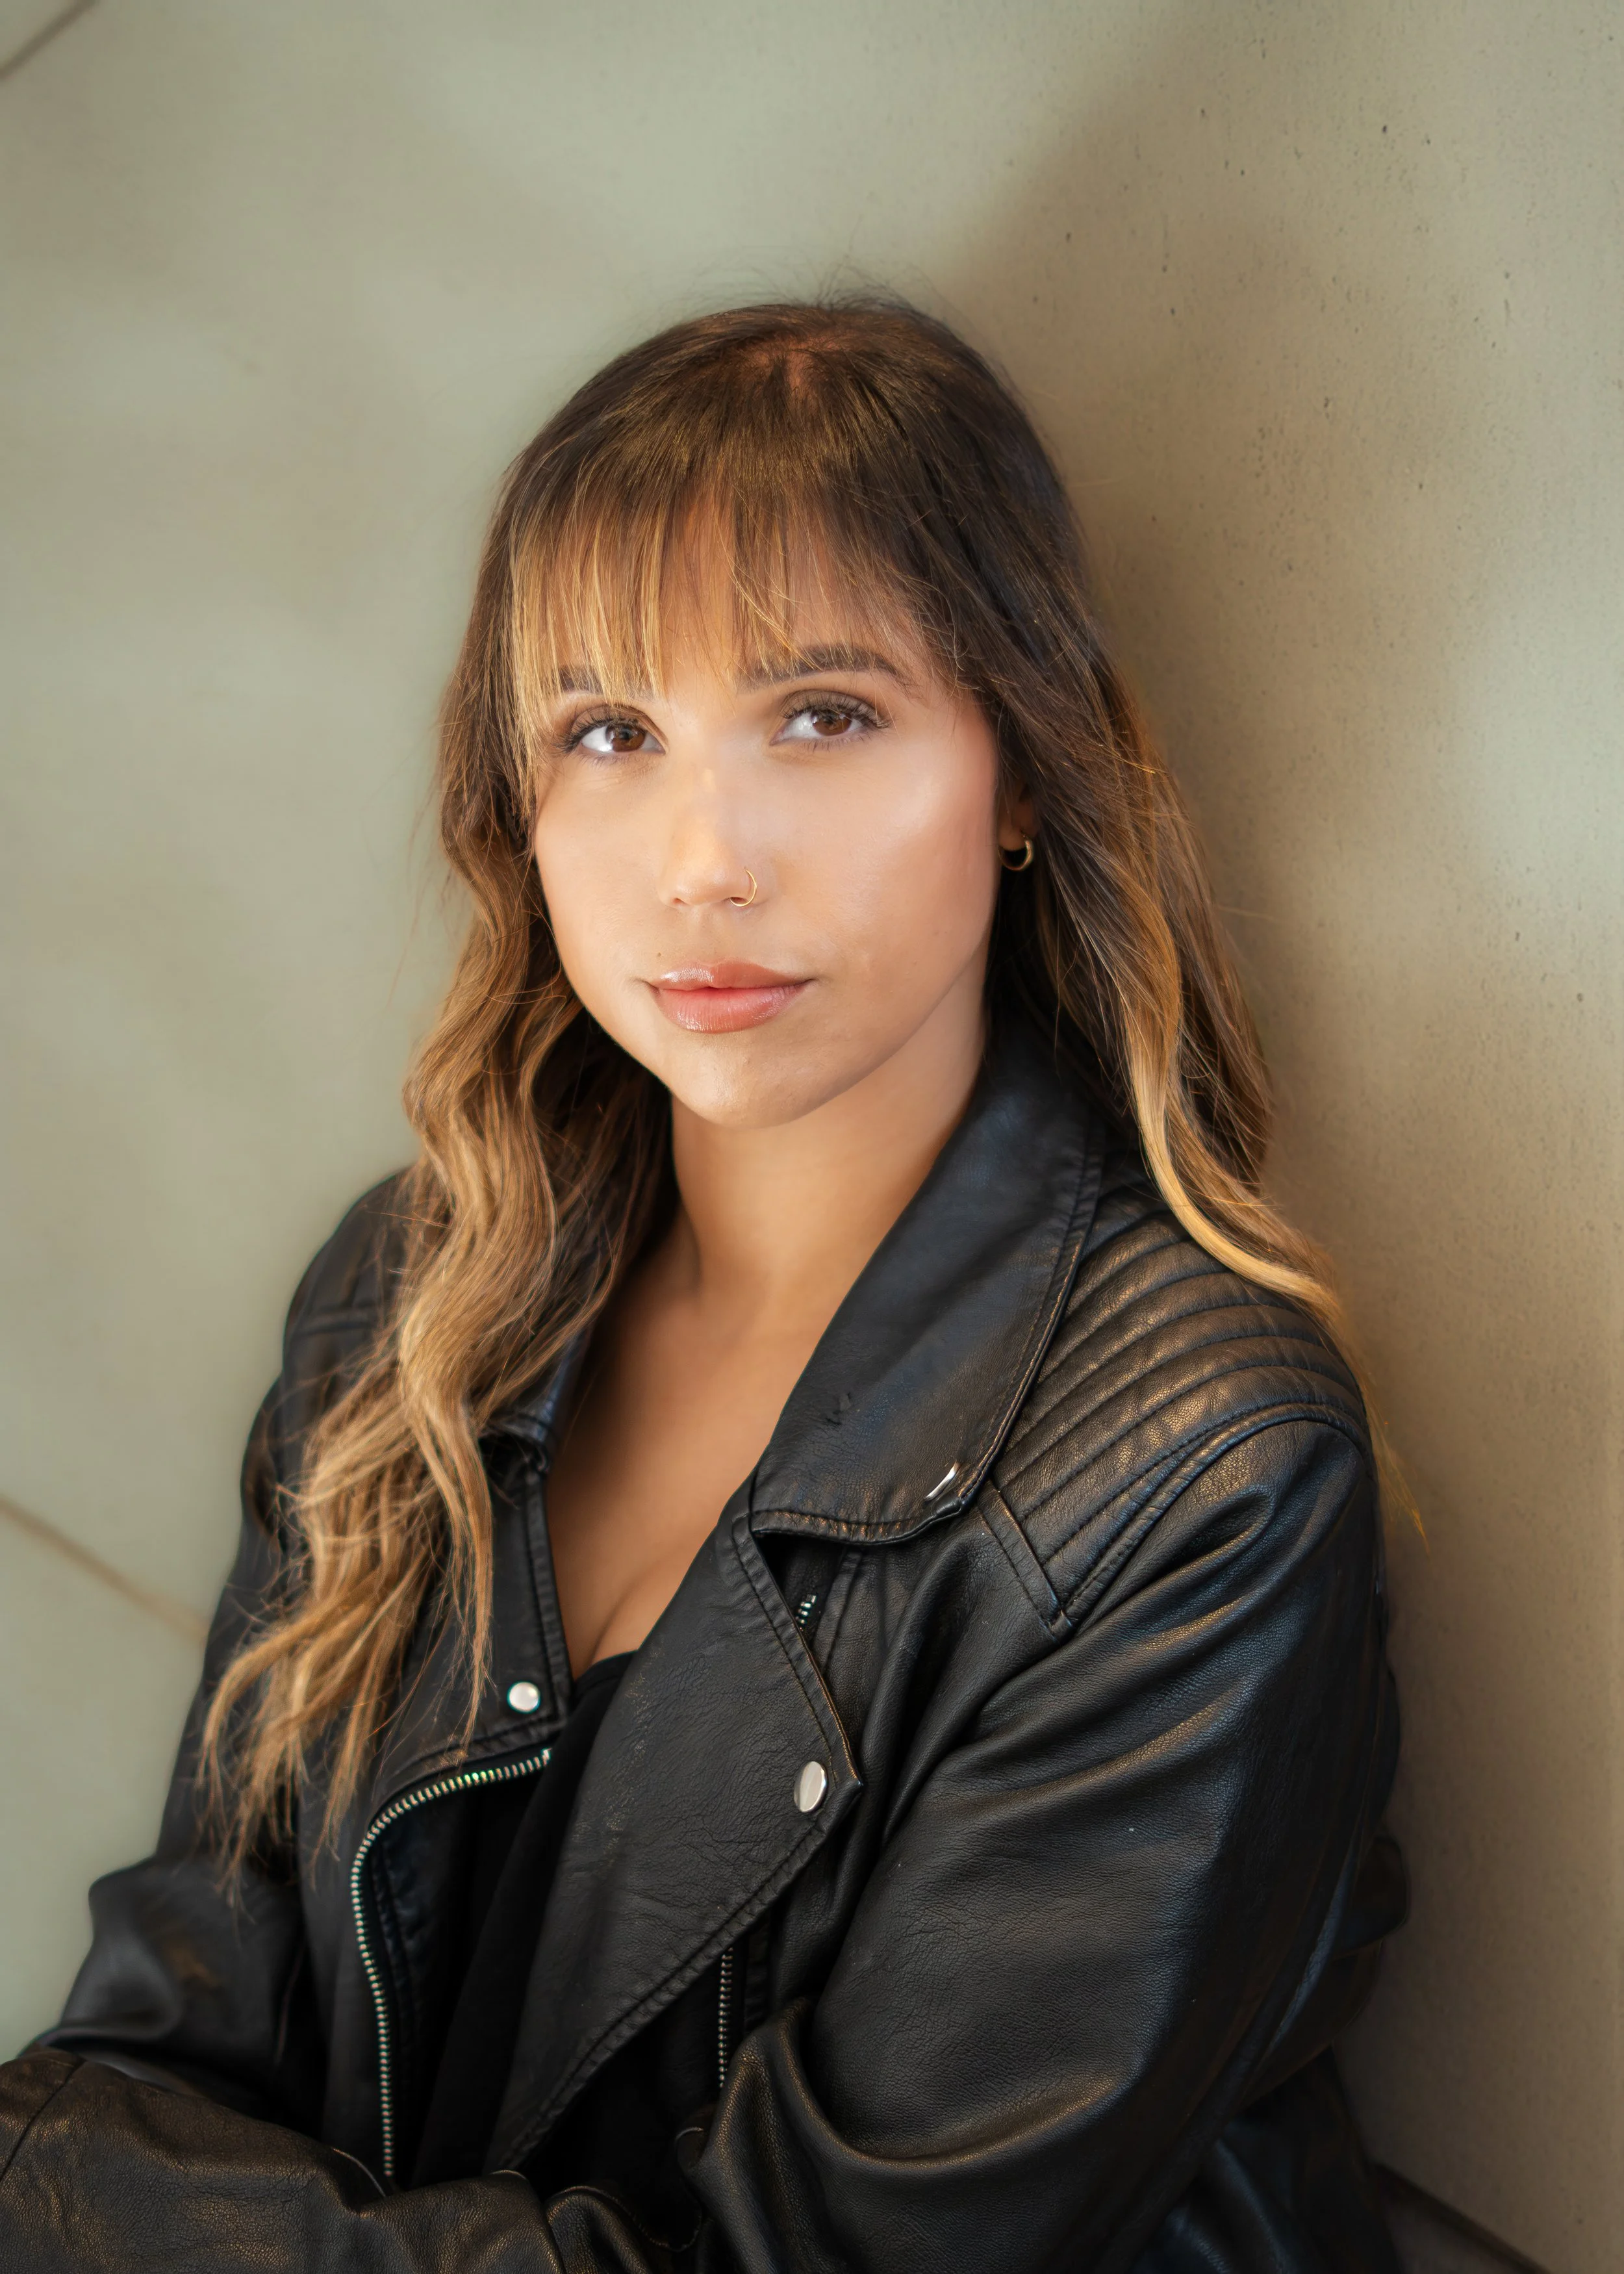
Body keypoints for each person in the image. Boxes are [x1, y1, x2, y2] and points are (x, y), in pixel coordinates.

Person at [0, 300, 1406, 2272]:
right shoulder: (409, 1297)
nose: (701, 857)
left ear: (1019, 770)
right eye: (608, 732)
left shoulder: (1193, 1482)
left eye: (822, 714)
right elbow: (160, 2035)